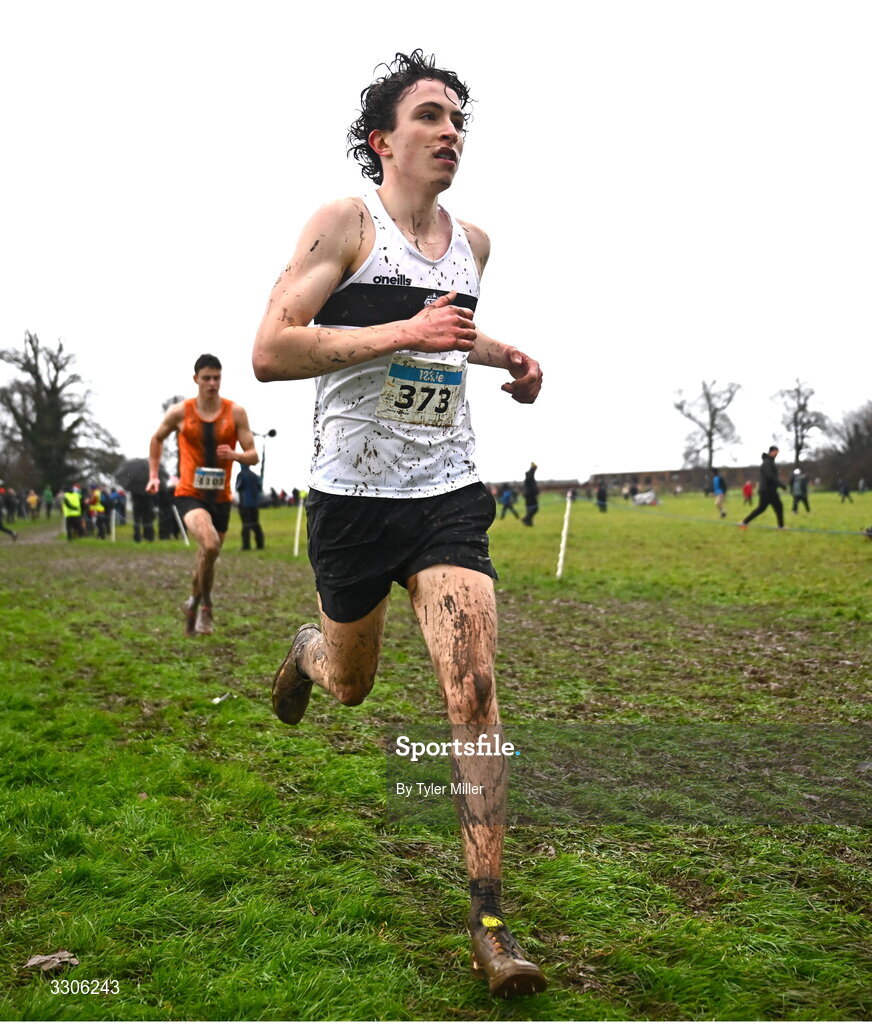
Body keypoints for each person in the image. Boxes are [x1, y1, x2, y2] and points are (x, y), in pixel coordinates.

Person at [251, 51, 546, 998]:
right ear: (385, 139)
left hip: (447, 497)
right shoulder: (345, 223)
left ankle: (491, 923)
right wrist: (397, 336)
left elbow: (447, 331)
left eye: (458, 118)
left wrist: (506, 357)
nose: (450, 130)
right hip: (350, 503)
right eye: (430, 115)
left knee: (475, 692)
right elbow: (270, 350)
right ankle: (309, 653)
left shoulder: (474, 244)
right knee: (353, 684)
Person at [147, 354, 258, 636]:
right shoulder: (180, 413)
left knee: (206, 556)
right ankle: (207, 606)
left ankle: (193, 602)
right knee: (209, 546)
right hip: (190, 494)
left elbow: (253, 455)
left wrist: (234, 454)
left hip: (220, 498)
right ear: (196, 379)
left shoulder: (235, 413)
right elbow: (157, 438)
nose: (212, 383)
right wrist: (153, 476)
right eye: (206, 378)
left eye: (216, 378)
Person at [739, 446, 786, 529]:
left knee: (777, 507)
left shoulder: (769, 462)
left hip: (770, 490)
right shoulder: (767, 463)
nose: (777, 454)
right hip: (767, 490)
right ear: (771, 452)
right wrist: (781, 485)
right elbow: (770, 476)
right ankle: (744, 522)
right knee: (763, 508)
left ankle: (781, 526)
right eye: (776, 452)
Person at [236, 463, 265, 550]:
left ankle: (246, 545)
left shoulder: (241, 475)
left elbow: (238, 487)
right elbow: (260, 488)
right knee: (256, 523)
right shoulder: (255, 476)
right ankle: (260, 544)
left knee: (246, 524)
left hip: (244, 504)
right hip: (255, 504)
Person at [521, 462, 539, 526]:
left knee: (529, 509)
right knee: (535, 508)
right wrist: (532, 468)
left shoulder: (530, 476)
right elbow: (531, 486)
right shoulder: (529, 475)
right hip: (530, 495)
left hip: (529, 495)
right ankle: (525, 519)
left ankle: (529, 523)